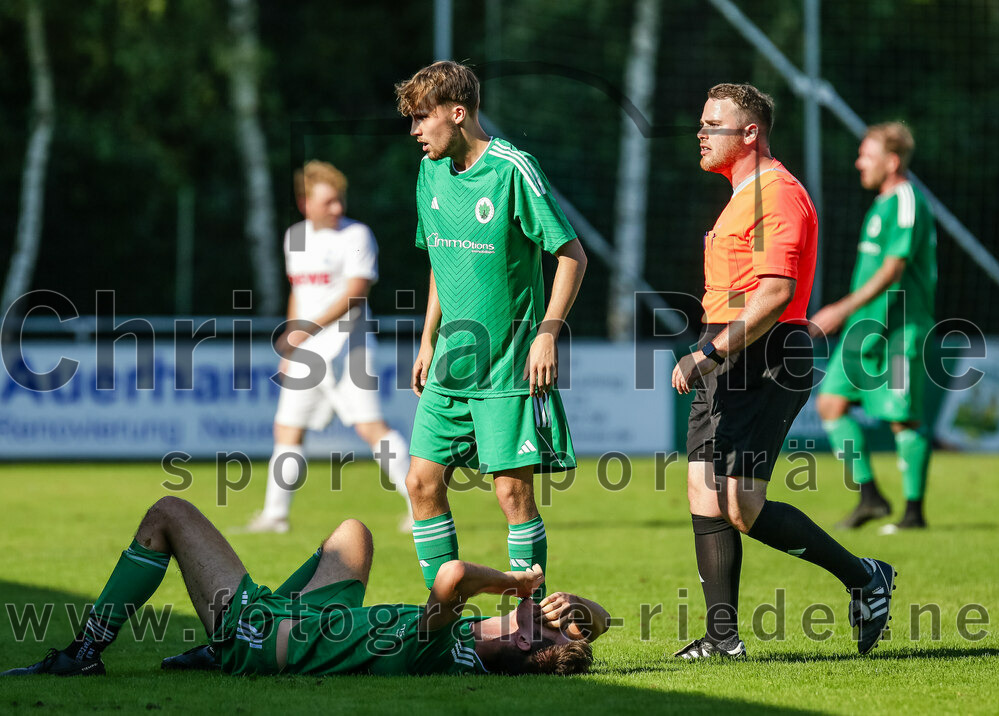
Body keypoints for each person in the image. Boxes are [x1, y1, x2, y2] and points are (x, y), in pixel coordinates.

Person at [670, 83, 896, 659]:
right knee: (705, 488)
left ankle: (866, 577)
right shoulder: (741, 194)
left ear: (749, 133)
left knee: (739, 504)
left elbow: (774, 294)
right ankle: (722, 641)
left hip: (764, 352)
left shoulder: (777, 196)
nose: (701, 132)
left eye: (712, 123)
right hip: (731, 347)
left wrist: (712, 352)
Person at [1, 496, 608, 677]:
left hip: (263, 635)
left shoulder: (454, 642)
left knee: (167, 514)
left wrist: (515, 581)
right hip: (320, 621)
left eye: (546, 620)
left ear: (527, 645)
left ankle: (83, 655)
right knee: (354, 533)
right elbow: (602, 622)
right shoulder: (484, 644)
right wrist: (586, 612)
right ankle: (229, 637)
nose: (546, 607)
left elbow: (452, 578)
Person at [393, 61, 588, 598]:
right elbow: (440, 257)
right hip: (450, 367)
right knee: (421, 482)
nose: (414, 131)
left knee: (511, 496)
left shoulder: (513, 169)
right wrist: (428, 336)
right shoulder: (429, 173)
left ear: (458, 114)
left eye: (421, 118)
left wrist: (548, 331)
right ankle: (444, 617)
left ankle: (530, 625)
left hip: (507, 369)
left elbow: (572, 254)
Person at [246, 161, 415, 534]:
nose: (338, 208)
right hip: (308, 354)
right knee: (286, 430)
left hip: (350, 349)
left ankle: (420, 507)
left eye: (340, 200)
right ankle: (275, 517)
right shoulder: (295, 237)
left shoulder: (356, 235)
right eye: (328, 202)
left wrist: (302, 332)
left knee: (372, 428)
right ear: (305, 203)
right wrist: (293, 343)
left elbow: (356, 294)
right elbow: (299, 293)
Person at [810, 122, 936, 533]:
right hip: (864, 330)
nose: (858, 162)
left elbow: (893, 269)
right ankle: (871, 497)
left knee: (903, 418)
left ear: (892, 161)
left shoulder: (906, 201)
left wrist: (839, 308)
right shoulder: (881, 203)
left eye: (867, 154)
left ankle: (914, 513)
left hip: (898, 329)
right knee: (830, 404)